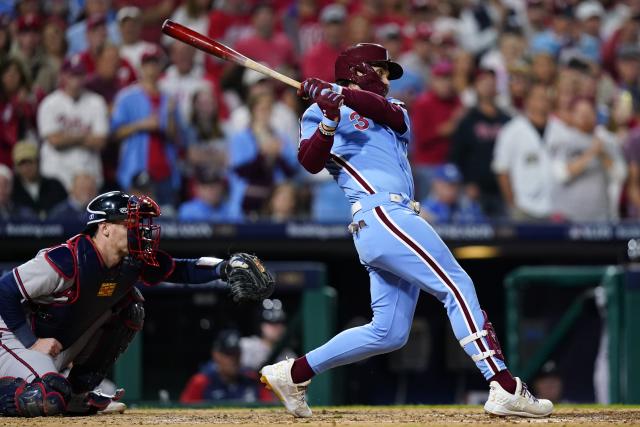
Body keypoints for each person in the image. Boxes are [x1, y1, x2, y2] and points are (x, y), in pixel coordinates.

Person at [259, 43, 553, 418]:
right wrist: (330, 118)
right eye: (380, 71)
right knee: (455, 284)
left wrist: (341, 94)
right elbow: (310, 162)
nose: (386, 79)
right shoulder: (317, 111)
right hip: (379, 212)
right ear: (359, 69)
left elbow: (385, 113)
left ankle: (293, 372)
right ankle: (503, 383)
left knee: (389, 332)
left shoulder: (393, 109)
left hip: (393, 216)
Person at [0, 190, 273, 417]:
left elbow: (181, 269)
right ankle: (49, 392)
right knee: (47, 396)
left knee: (130, 305)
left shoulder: (131, 262)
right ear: (104, 229)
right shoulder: (66, 259)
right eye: (130, 223)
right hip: (13, 339)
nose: (140, 230)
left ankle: (77, 392)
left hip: (49, 342)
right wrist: (29, 342)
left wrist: (223, 268)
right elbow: (4, 289)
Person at [37, 54, 108, 191]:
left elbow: (100, 141)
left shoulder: (97, 102)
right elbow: (55, 141)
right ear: (63, 75)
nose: (76, 79)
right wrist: (84, 137)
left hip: (89, 175)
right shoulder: (49, 103)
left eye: (79, 74)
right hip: (56, 175)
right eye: (72, 75)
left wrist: (66, 137)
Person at [450, 68, 511, 218]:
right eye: (483, 82)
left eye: (492, 82)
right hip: (475, 189)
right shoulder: (468, 119)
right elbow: (457, 154)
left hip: (502, 189)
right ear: (475, 86)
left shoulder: (507, 119)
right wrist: (467, 182)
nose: (488, 86)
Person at [179, 329, 259, 404]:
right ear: (216, 355)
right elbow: (184, 414)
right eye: (228, 354)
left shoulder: (252, 379)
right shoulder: (201, 382)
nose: (233, 359)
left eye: (236, 353)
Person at [11, 141, 67, 220]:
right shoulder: (11, 190)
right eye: (22, 163)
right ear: (16, 167)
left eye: (30, 161)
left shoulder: (55, 186)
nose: (27, 167)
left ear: (38, 161)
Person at [240, 299, 295, 371]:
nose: (277, 328)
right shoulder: (246, 347)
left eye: (280, 323)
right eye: (272, 323)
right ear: (261, 325)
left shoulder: (289, 356)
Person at [420, 164, 485, 224]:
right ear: (436, 184)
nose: (453, 189)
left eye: (456, 184)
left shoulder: (468, 205)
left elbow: (484, 226)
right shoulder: (426, 208)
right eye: (449, 184)